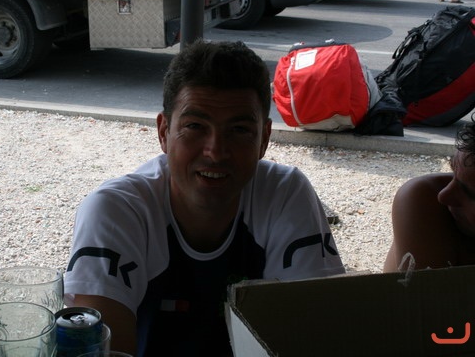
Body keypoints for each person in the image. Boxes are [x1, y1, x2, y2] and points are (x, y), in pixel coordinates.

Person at [63, 40, 346, 356]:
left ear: (264, 139)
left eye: (239, 130)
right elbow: (102, 349)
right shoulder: (117, 210)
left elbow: (316, 333)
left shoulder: (285, 194)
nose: (216, 151)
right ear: (163, 132)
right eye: (195, 126)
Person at [383, 116, 475, 272]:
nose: (443, 195)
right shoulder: (424, 200)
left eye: (468, 193)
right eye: (453, 172)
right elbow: (424, 288)